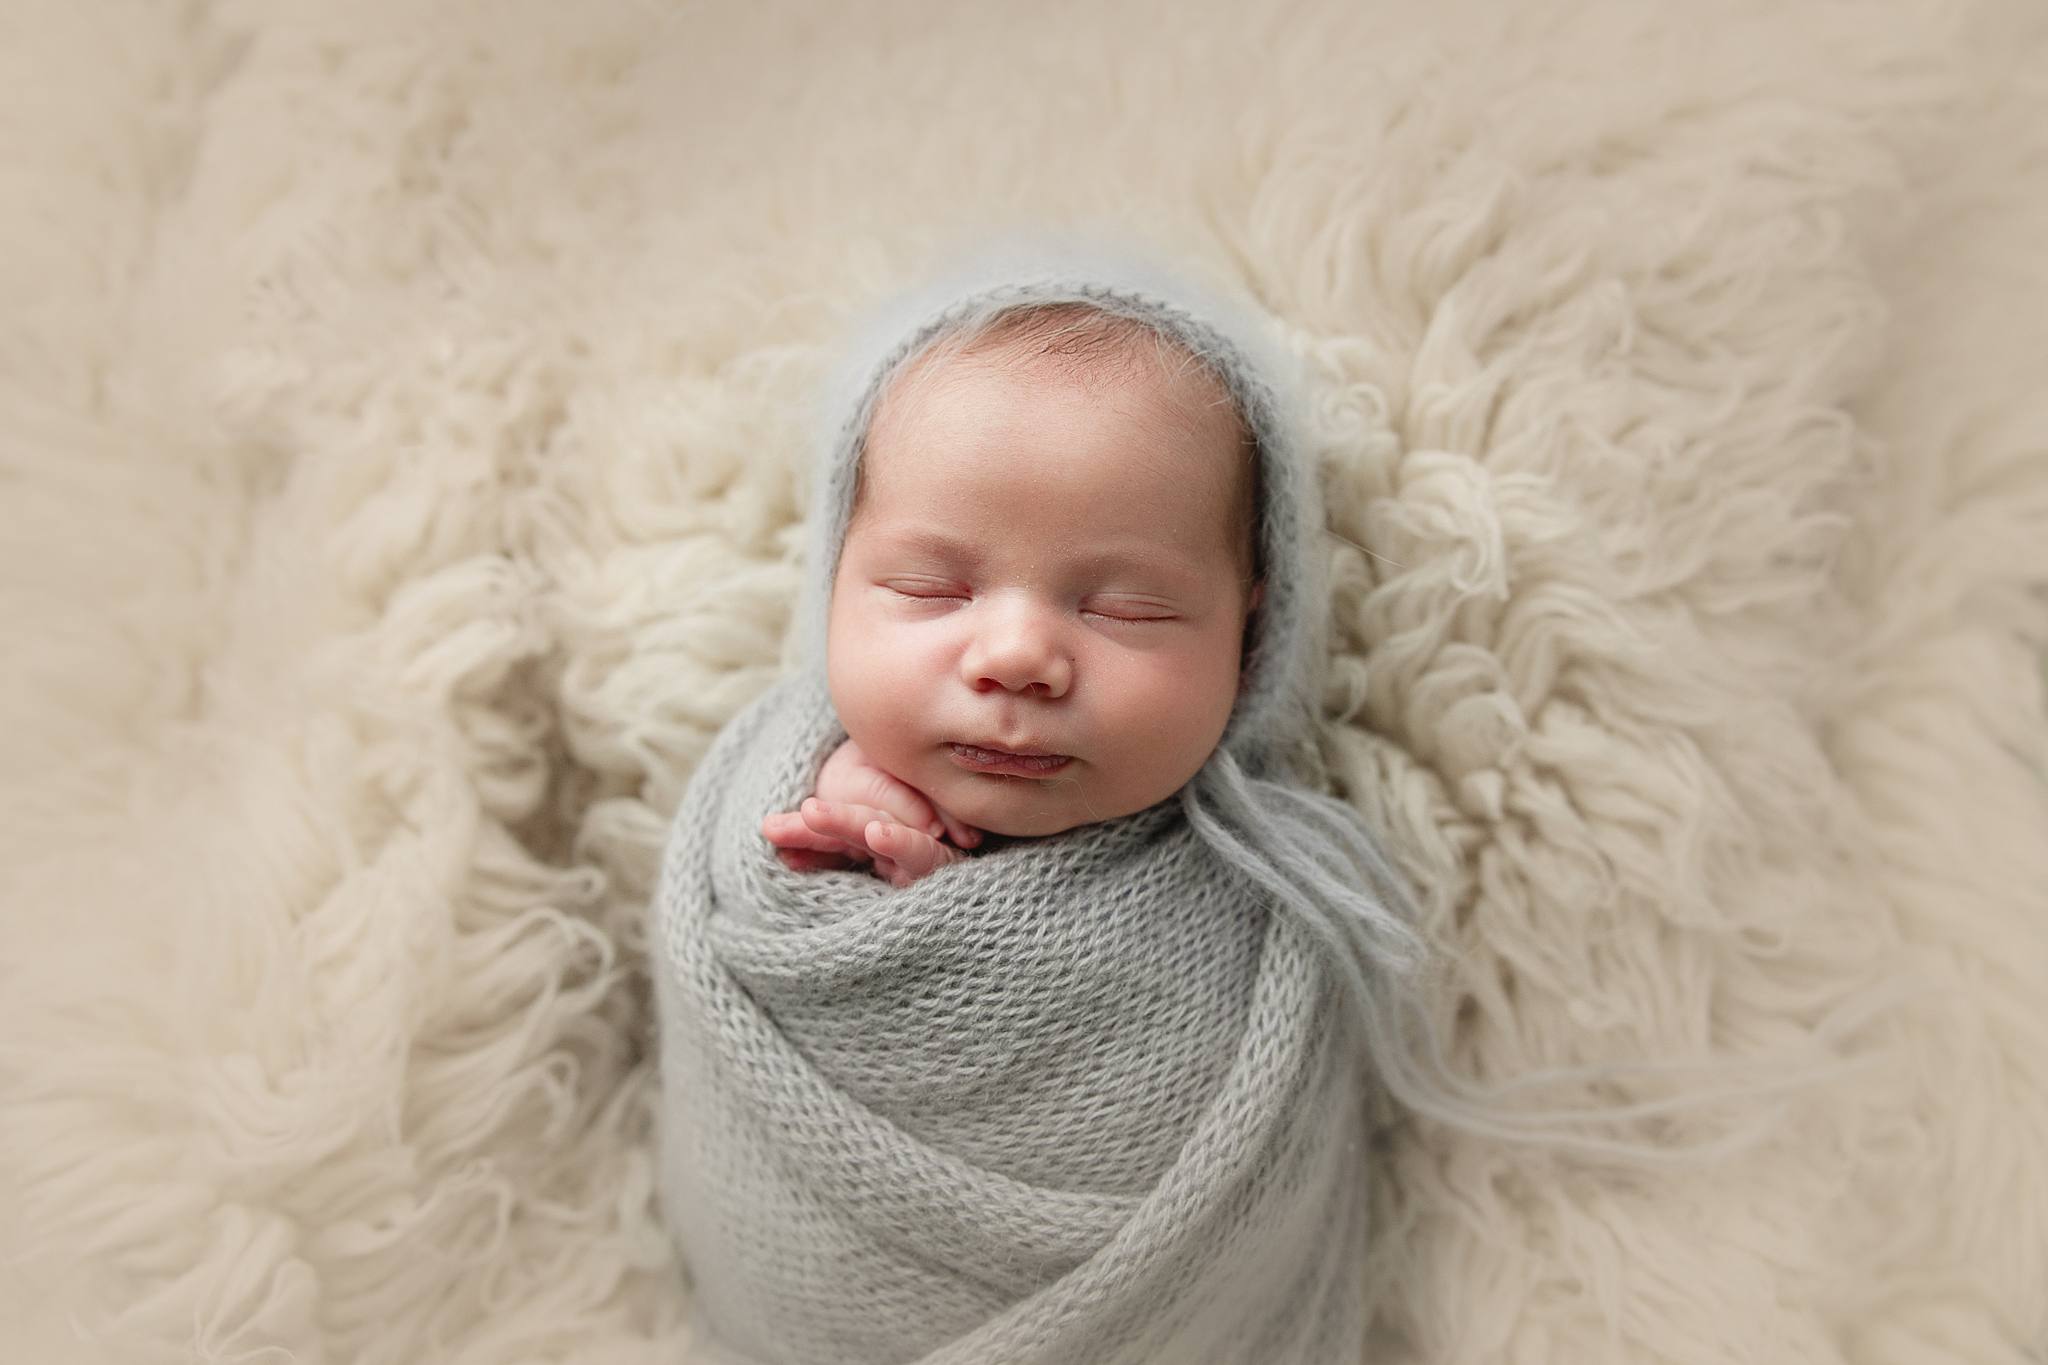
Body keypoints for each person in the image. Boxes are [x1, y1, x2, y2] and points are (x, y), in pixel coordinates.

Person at [759, 299, 1266, 887]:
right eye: (930, 590)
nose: (1016, 658)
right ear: (833, 591)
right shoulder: (784, 777)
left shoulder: (1284, 885)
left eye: (1126, 610)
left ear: (1250, 639)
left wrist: (950, 923)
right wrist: (820, 846)